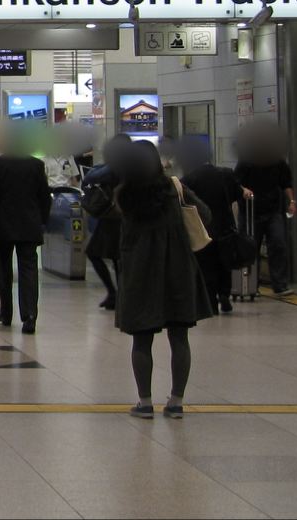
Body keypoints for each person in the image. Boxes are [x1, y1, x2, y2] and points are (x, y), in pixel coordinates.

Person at [113, 140, 215, 419]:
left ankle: (145, 402)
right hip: (177, 268)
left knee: (141, 339)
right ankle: (177, 401)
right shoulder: (175, 188)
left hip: (140, 271)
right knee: (179, 335)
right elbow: (205, 214)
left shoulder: (125, 194)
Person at [0, 122, 51, 334]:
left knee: (4, 269)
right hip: (29, 226)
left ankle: (6, 311)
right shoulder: (36, 165)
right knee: (29, 271)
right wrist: (42, 221)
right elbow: (44, 197)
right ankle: (29, 317)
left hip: (3, 226)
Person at [181, 137, 248, 314]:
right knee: (224, 263)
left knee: (206, 266)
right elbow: (237, 194)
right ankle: (224, 294)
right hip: (226, 226)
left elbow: (184, 202)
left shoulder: (189, 178)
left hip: (203, 229)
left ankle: (210, 301)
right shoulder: (226, 173)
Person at [234, 123, 296, 296]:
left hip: (273, 210)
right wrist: (243, 191)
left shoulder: (278, 162)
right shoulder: (246, 161)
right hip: (250, 210)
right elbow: (236, 183)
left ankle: (280, 284)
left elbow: (286, 183)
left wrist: (292, 201)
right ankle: (252, 284)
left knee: (278, 244)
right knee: (250, 248)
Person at [84, 137, 130, 311]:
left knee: (97, 253)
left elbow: (90, 177)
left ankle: (115, 293)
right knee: (118, 258)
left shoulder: (117, 165)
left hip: (113, 218)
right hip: (122, 217)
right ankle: (118, 294)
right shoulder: (131, 165)